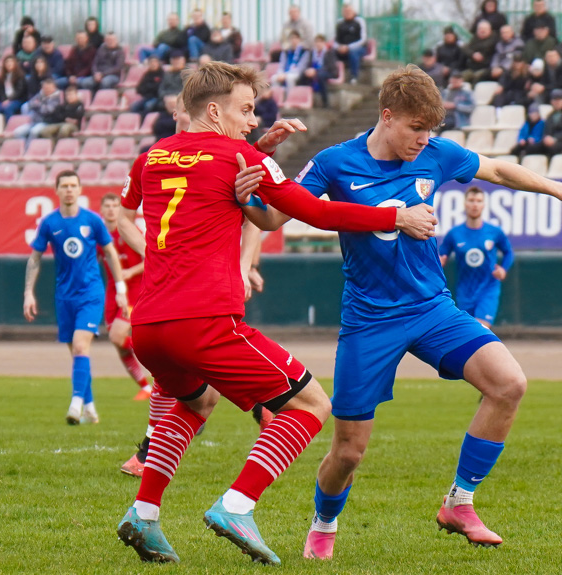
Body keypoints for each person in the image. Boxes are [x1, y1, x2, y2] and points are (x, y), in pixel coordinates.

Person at [233, 65, 562, 560]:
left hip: (432, 308)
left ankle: (459, 502)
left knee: (509, 384)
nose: (424, 140)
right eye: (416, 128)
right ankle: (324, 522)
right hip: (369, 321)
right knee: (349, 452)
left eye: (431, 130)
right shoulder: (335, 162)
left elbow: (500, 170)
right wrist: (244, 206)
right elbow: (273, 216)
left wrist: (560, 189)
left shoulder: (436, 155)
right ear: (386, 116)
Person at [114, 61, 438, 566]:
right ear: (215, 109)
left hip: (149, 325)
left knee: (196, 404)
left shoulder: (151, 156)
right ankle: (237, 505)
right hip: (204, 321)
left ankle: (145, 512)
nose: (252, 120)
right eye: (246, 110)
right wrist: (393, 215)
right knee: (310, 405)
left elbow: (134, 203)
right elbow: (314, 210)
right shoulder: (239, 154)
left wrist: (256, 153)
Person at [115, 93, 276, 477]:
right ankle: (153, 459)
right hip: (170, 280)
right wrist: (154, 253)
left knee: (202, 373)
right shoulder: (153, 158)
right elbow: (124, 218)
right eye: (188, 108)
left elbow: (257, 213)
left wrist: (244, 264)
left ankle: (151, 457)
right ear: (178, 112)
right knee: (182, 373)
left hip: (213, 278)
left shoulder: (229, 152)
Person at [23, 170, 128, 425]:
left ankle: (75, 405)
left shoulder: (92, 221)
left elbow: (111, 253)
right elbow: (35, 258)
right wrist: (28, 293)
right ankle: (90, 407)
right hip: (64, 296)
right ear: (57, 190)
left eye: (73, 185)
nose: (69, 190)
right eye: (64, 186)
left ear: (80, 190)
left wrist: (121, 288)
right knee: (78, 354)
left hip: (91, 294)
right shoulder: (49, 223)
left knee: (82, 347)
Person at [97, 194, 151, 400]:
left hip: (135, 289)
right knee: (117, 343)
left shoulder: (129, 231)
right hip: (112, 291)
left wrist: (131, 272)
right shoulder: (99, 235)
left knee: (118, 336)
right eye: (107, 206)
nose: (111, 209)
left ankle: (158, 356)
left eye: (114, 205)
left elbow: (150, 258)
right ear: (101, 210)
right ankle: (145, 387)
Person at [439, 187, 514, 328]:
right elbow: (442, 255)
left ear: (484, 205)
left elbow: (508, 252)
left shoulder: (494, 232)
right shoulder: (454, 234)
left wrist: (503, 270)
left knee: (481, 328)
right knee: (467, 331)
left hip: (488, 288)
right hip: (465, 291)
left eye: (479, 201)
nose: (475, 204)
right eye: (471, 200)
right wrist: (440, 262)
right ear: (465, 204)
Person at [299, 34, 339, 108]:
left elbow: (329, 67)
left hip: (330, 72)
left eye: (320, 42)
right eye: (316, 42)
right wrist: (308, 70)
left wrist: (316, 71)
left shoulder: (329, 52)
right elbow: (309, 64)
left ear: (324, 43)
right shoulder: (312, 53)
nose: (318, 44)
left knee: (320, 76)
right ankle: (304, 99)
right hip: (316, 71)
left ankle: (326, 102)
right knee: (303, 76)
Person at [334, 3, 367, 83]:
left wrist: (349, 47)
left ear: (353, 11)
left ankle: (354, 76)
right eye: (345, 11)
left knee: (353, 52)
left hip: (358, 48)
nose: (347, 13)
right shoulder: (340, 23)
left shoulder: (359, 21)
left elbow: (363, 39)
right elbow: (335, 40)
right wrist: (339, 47)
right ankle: (333, 74)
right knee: (330, 53)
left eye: (349, 11)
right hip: (342, 48)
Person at [462, 20, 497, 85]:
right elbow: (466, 48)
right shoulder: (475, 39)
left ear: (490, 30)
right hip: (472, 67)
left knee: (477, 77)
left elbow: (486, 47)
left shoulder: (494, 39)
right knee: (460, 78)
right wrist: (473, 54)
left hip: (486, 68)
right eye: (480, 29)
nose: (482, 31)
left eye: (484, 29)